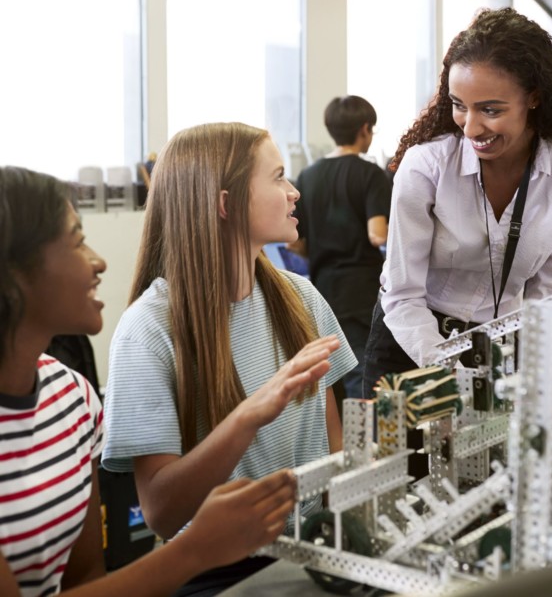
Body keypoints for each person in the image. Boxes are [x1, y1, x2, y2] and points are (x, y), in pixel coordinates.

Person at [0, 166, 299, 597]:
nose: (99, 262)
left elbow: (85, 577)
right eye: (78, 241)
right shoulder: (149, 325)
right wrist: (195, 550)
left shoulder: (71, 397)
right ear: (15, 273)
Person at [101, 122, 356, 595]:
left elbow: (330, 438)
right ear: (225, 204)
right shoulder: (148, 329)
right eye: (278, 177)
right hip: (220, 572)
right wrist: (249, 415)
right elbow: (161, 512)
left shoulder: (301, 296)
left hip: (321, 548)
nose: (294, 192)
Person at [363, 7, 552, 400]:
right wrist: (452, 373)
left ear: (534, 98)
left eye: (491, 109)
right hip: (412, 341)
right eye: (459, 105)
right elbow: (403, 295)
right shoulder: (427, 166)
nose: (471, 127)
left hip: (501, 344)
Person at [289, 95, 391, 399]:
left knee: (333, 371)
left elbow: (294, 242)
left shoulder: (307, 176)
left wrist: (322, 251)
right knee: (362, 371)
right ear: (364, 129)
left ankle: (340, 442)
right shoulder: (371, 174)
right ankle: (363, 444)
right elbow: (377, 234)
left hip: (323, 289)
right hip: (361, 290)